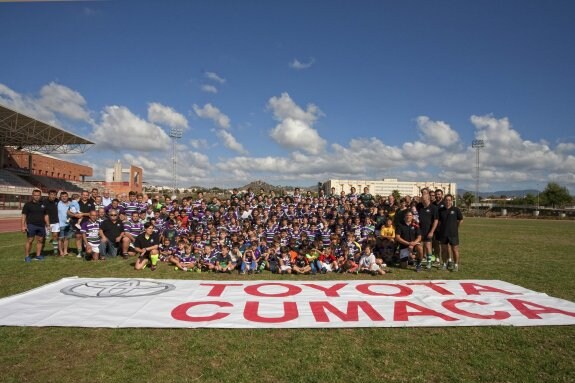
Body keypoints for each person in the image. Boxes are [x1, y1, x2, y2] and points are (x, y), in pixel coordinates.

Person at [21, 189, 49, 262]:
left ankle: (38, 255)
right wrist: (23, 226)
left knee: (40, 240)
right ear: (32, 195)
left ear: (40, 196)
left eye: (38, 195)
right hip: (31, 225)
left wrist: (48, 224)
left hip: (41, 225)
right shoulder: (28, 204)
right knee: (30, 240)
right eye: (35, 195)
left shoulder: (43, 204)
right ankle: (27, 256)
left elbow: (46, 215)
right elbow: (24, 215)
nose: (36, 197)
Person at [437, 194, 463, 271]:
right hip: (443, 233)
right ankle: (444, 264)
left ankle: (456, 265)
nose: (448, 201)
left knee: (455, 250)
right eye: (446, 200)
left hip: (453, 234)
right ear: (444, 201)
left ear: (451, 201)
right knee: (444, 250)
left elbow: (461, 219)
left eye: (449, 200)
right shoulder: (441, 210)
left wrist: (456, 227)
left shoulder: (456, 209)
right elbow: (438, 221)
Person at [417, 191, 439, 270]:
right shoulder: (419, 206)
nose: (423, 199)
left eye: (424, 198)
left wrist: (432, 231)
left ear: (428, 198)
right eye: (422, 198)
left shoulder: (434, 208)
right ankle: (419, 261)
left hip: (428, 230)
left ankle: (429, 262)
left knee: (427, 246)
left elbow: (436, 220)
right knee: (419, 246)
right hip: (419, 230)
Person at [57, 191, 74, 256]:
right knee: (61, 238)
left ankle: (65, 251)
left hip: (69, 223)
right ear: (60, 197)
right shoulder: (58, 203)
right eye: (62, 196)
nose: (64, 198)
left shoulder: (71, 203)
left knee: (67, 238)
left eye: (65, 196)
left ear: (68, 197)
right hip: (61, 224)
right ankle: (61, 252)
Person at [44, 189, 60, 256]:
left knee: (55, 236)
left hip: (56, 222)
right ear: (49, 195)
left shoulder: (58, 201)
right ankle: (41, 251)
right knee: (42, 238)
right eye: (51, 194)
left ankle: (55, 251)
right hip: (47, 222)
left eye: (54, 195)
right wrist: (47, 224)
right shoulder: (44, 202)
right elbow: (44, 214)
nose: (53, 196)